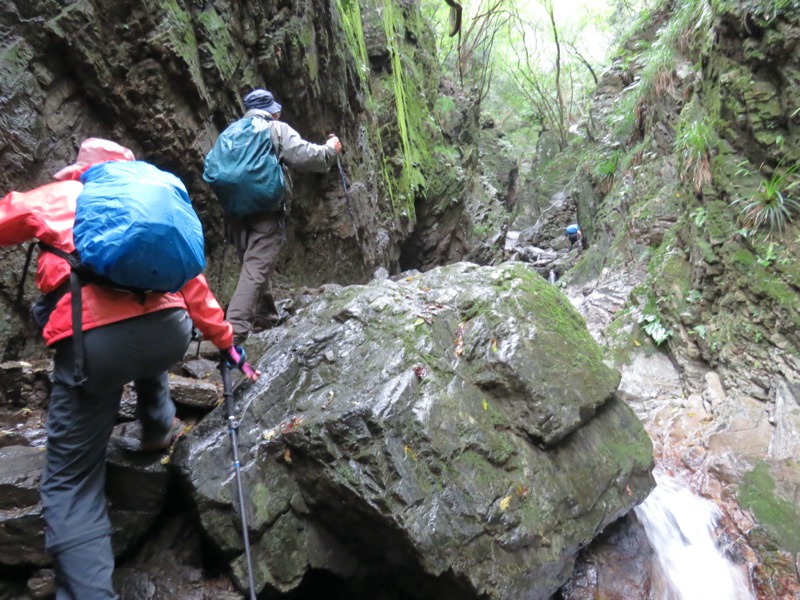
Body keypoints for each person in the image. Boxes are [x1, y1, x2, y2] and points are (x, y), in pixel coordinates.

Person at [0, 137, 258, 600]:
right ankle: (158, 424)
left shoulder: (62, 197)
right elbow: (194, 288)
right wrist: (227, 345)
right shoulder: (155, 210)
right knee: (142, 321)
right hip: (169, 333)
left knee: (72, 484)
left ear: (81, 169)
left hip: (97, 346)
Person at [225, 88, 343, 345]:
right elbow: (307, 156)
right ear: (272, 110)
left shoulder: (230, 133)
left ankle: (264, 314)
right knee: (256, 267)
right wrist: (331, 150)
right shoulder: (275, 129)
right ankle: (233, 330)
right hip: (266, 208)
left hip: (234, 209)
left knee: (252, 261)